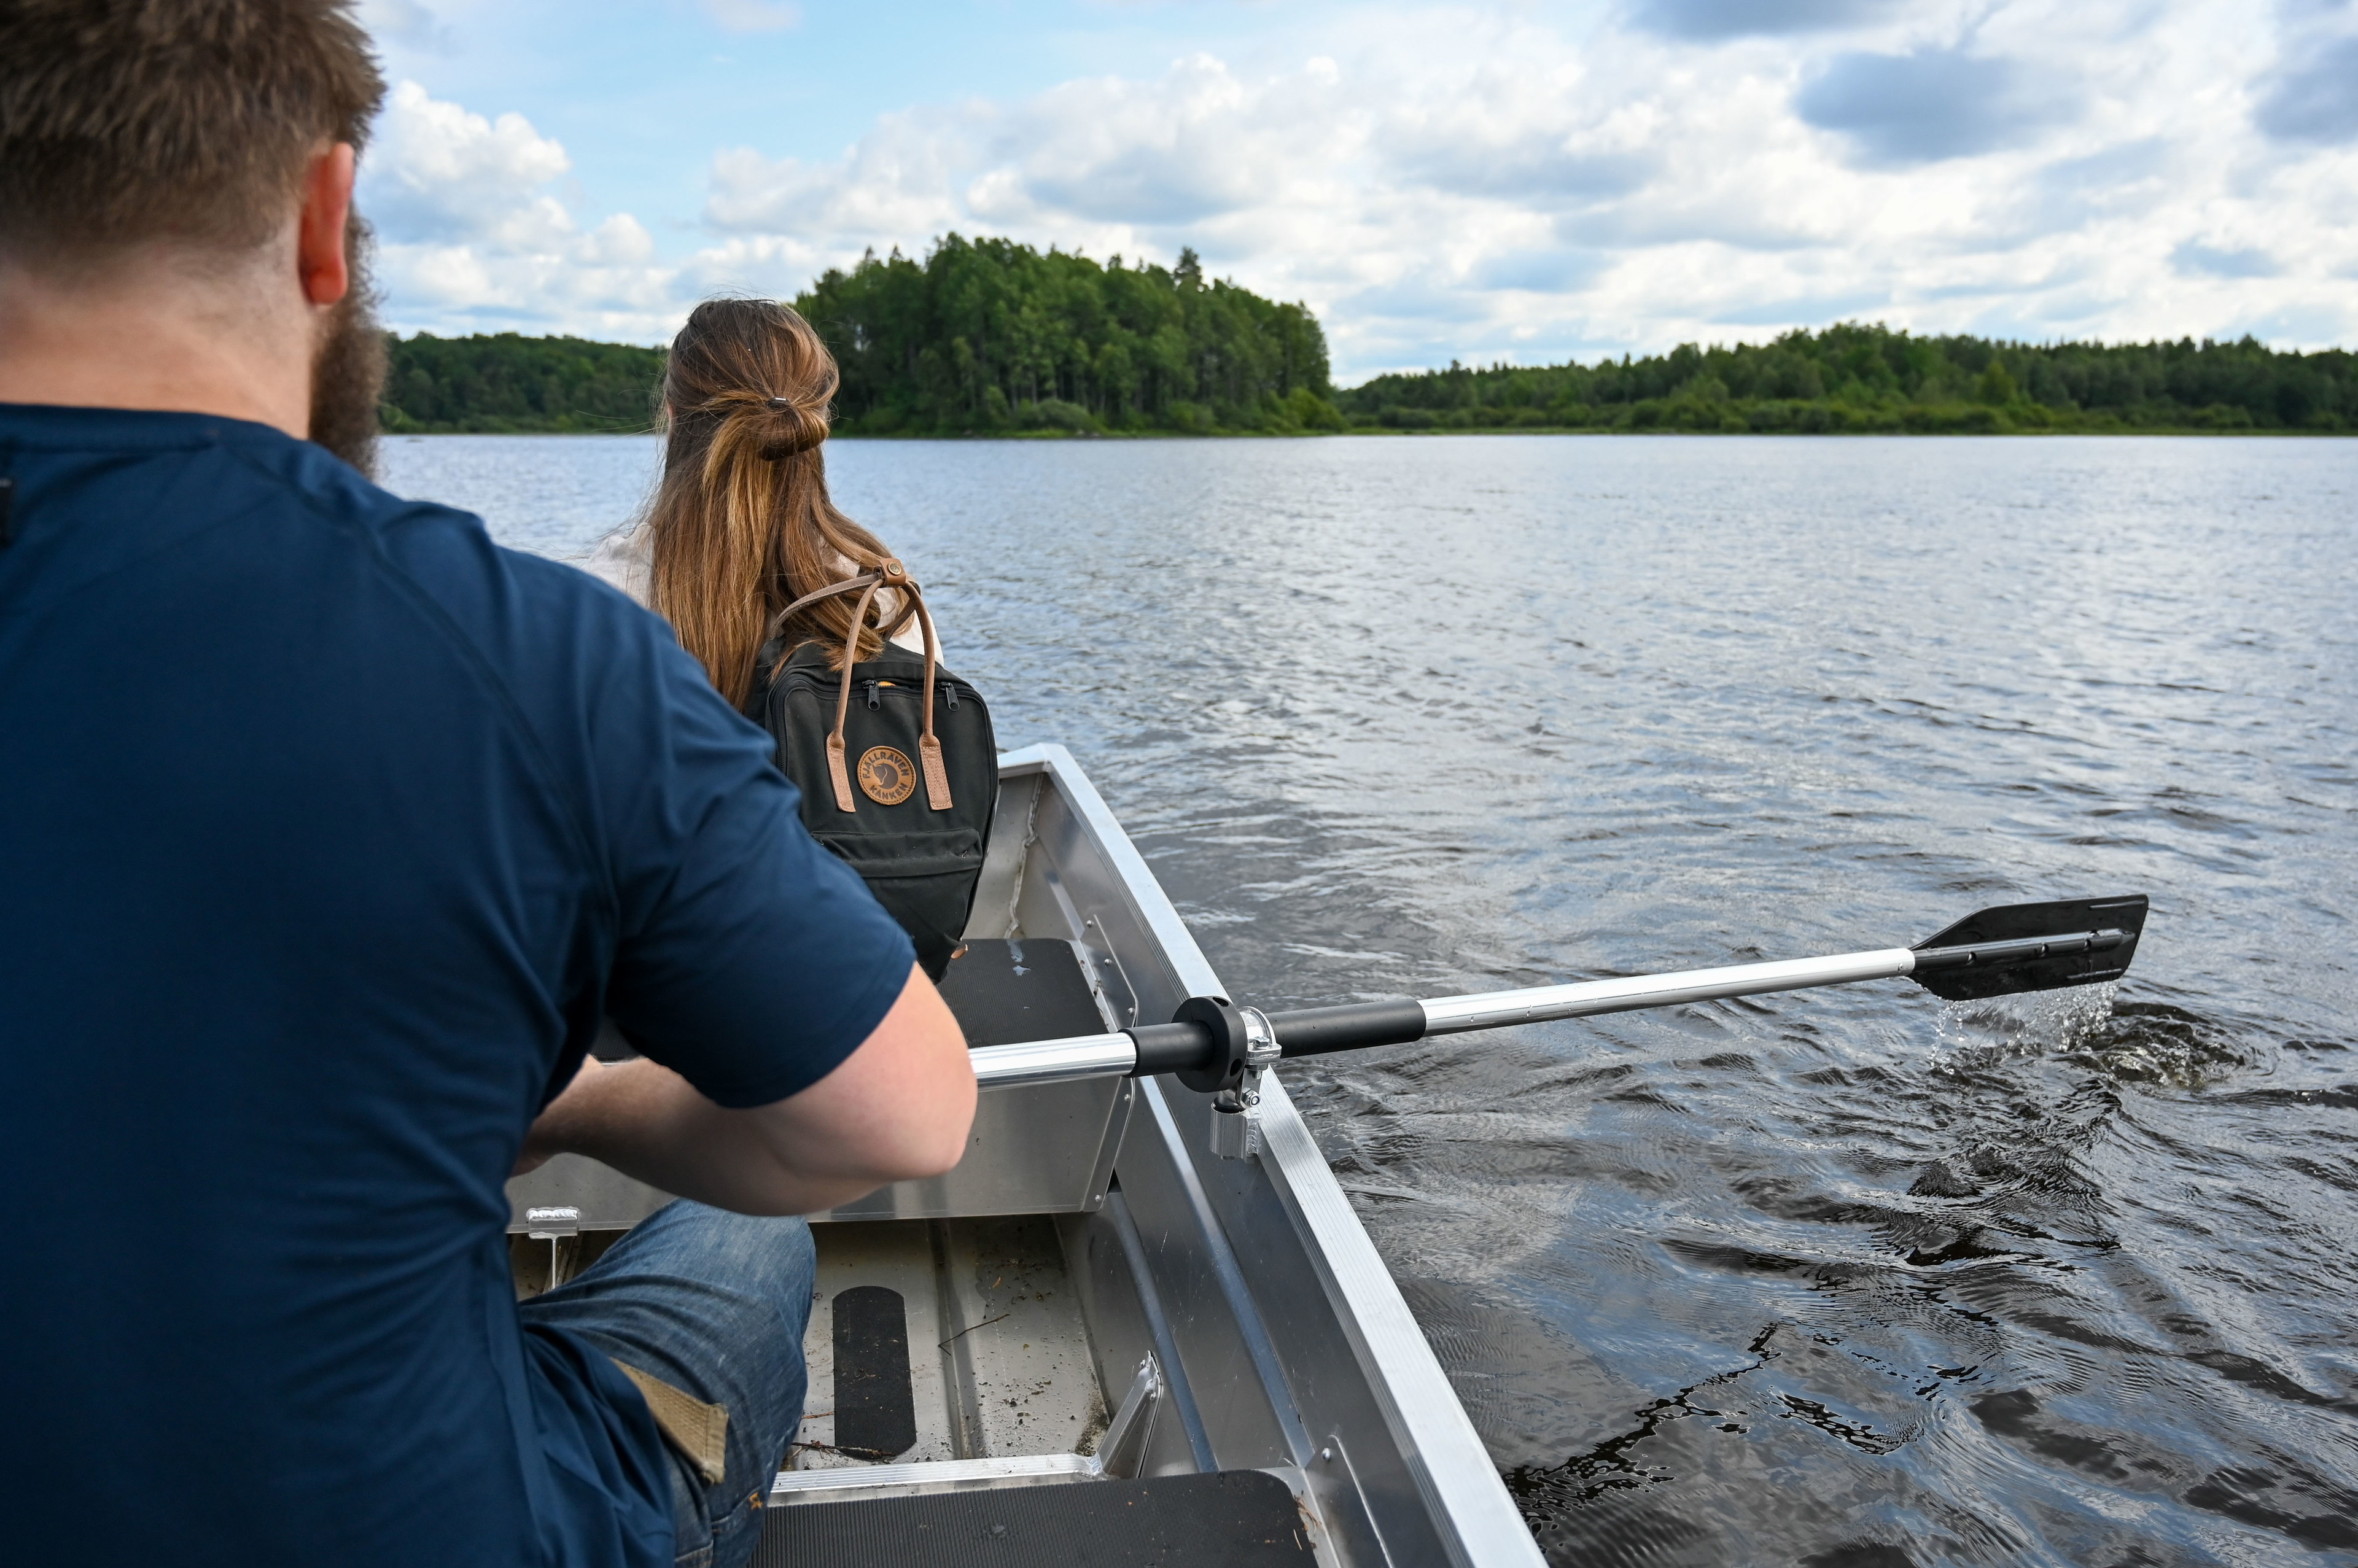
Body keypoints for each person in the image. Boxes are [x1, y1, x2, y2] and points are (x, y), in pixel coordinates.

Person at [0, 6, 976, 1568]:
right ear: (326, 219)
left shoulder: (577, 607)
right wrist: (573, 1102)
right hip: (433, 1520)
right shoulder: (535, 654)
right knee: (749, 1233)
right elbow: (910, 1110)